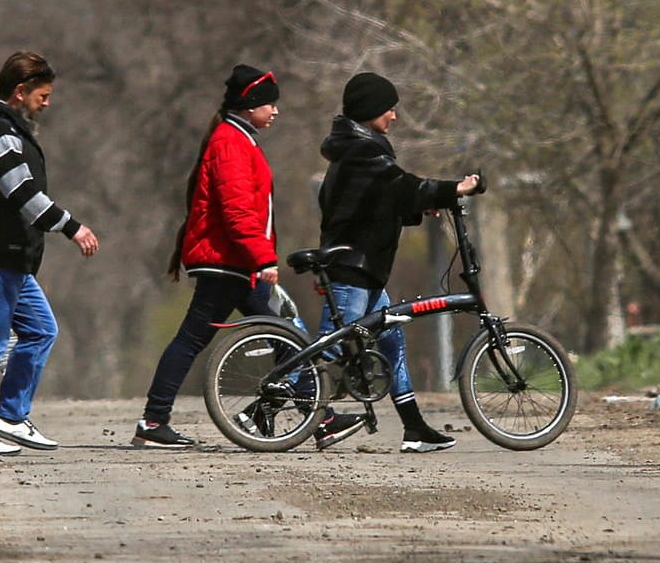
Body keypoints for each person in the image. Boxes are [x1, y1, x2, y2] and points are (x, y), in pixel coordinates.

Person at [132, 66, 363, 450]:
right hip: (228, 262)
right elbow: (236, 211)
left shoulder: (239, 139)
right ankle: (154, 421)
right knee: (215, 337)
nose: (275, 111)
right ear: (250, 105)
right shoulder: (231, 143)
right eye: (270, 104)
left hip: (233, 262)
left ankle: (319, 417)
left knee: (285, 334)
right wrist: (262, 259)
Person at [317, 71, 481, 453]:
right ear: (370, 110)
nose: (394, 116)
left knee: (391, 340)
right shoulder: (363, 151)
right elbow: (402, 186)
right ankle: (287, 412)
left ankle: (414, 427)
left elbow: (378, 201)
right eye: (389, 109)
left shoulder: (359, 147)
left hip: (367, 267)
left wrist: (421, 208)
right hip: (352, 267)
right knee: (329, 348)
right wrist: (450, 190)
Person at [0, 50, 99, 456]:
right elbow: (21, 192)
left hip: (12, 258)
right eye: (43, 95)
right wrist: (72, 227)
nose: (47, 103)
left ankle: (11, 416)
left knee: (40, 330)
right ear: (20, 91)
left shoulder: (7, 128)